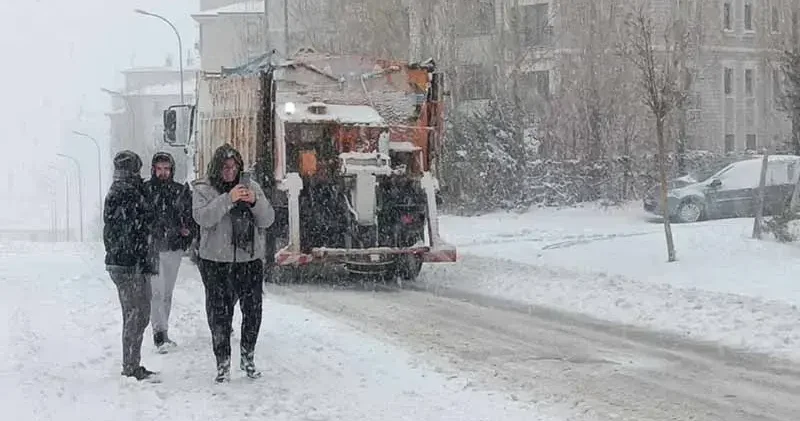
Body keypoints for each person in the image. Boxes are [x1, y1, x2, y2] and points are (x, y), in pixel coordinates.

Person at [192, 144, 275, 383]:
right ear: (216, 169)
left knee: (253, 311)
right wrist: (228, 199)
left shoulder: (252, 186)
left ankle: (248, 356)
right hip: (216, 261)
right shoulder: (203, 189)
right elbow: (203, 218)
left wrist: (254, 202)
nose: (229, 172)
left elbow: (267, 219)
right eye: (225, 168)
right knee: (220, 314)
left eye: (233, 167)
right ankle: (222, 361)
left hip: (248, 260)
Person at [103, 150, 158, 381]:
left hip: (128, 263)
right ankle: (130, 365)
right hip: (129, 265)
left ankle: (132, 363)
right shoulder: (126, 192)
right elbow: (135, 227)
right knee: (137, 313)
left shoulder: (125, 190)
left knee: (137, 313)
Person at [143, 152, 195, 353]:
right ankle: (159, 334)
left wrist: (186, 235)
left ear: (171, 170)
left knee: (166, 293)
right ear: (153, 170)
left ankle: (164, 330)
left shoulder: (180, 191)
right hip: (152, 249)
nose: (163, 172)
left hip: (173, 249)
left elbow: (189, 217)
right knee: (156, 292)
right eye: (159, 169)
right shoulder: (146, 190)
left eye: (166, 169)